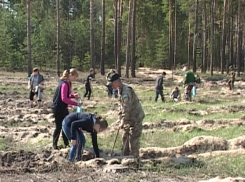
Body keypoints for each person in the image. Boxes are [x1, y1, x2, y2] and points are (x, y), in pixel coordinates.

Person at [106, 73, 145, 157]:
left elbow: (127, 107)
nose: (111, 86)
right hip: (128, 118)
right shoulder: (120, 90)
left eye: (112, 84)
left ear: (117, 82)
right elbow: (122, 107)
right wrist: (120, 118)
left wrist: (123, 120)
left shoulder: (126, 91)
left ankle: (134, 160)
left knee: (133, 140)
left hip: (135, 118)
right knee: (125, 138)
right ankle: (124, 157)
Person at [52, 68, 81, 150]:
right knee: (59, 127)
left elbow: (67, 95)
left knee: (66, 125)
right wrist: (76, 104)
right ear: (70, 75)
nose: (75, 80)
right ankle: (54, 145)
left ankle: (66, 143)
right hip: (58, 108)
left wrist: (73, 96)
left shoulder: (67, 83)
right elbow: (64, 98)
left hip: (63, 108)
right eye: (74, 78)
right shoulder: (64, 84)